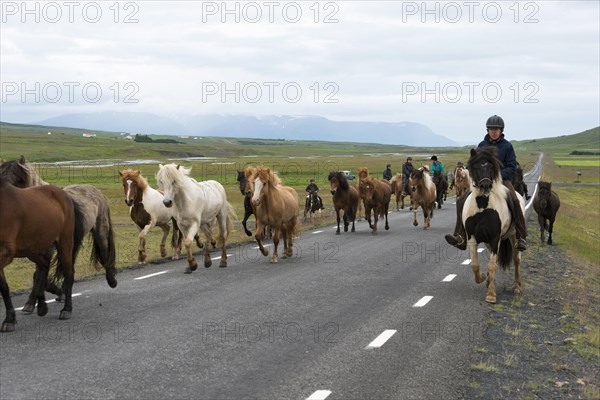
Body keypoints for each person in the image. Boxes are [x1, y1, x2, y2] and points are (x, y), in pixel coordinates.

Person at [444, 115, 528, 251]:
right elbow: (475, 164)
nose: (494, 131)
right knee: (461, 201)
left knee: (514, 199)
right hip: (483, 181)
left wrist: (497, 176)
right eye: (491, 129)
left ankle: (521, 236)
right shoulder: (482, 146)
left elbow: (512, 166)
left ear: (501, 131)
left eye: (496, 129)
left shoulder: (507, 146)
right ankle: (460, 236)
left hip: (502, 181)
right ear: (487, 130)